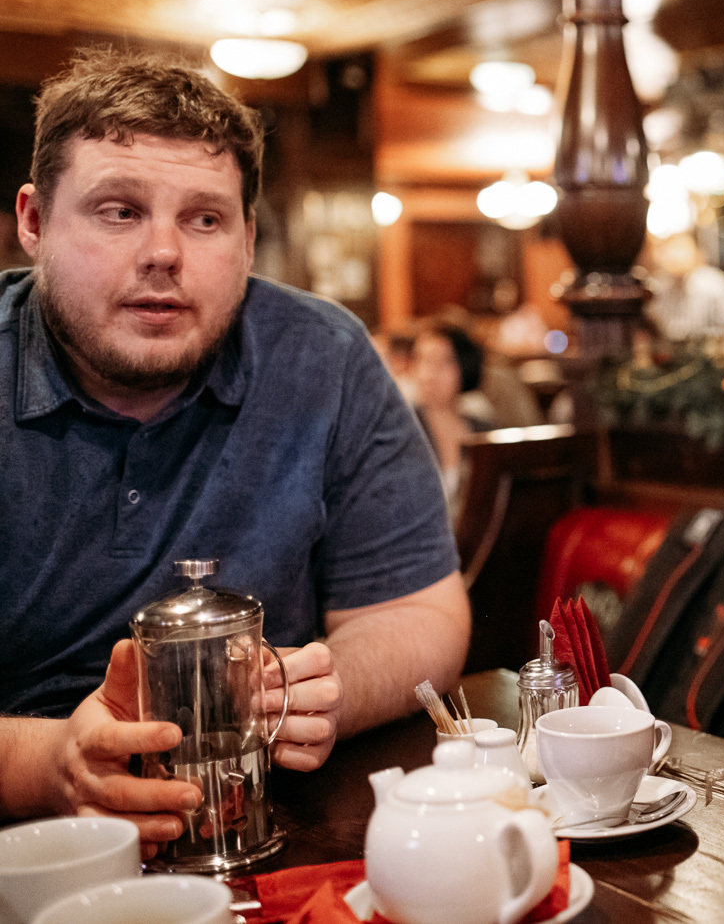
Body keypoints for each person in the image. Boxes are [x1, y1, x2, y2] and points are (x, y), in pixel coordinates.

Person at [0, 50, 470, 852]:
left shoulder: (323, 356)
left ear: (249, 239)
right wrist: (49, 765)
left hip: (265, 823)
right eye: (119, 210)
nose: (163, 252)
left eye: (205, 219)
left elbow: (419, 612)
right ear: (35, 221)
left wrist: (329, 686)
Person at [411, 322, 494, 520]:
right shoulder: (403, 429)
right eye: (422, 360)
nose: (428, 374)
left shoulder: (482, 429)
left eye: (443, 362)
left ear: (465, 365)